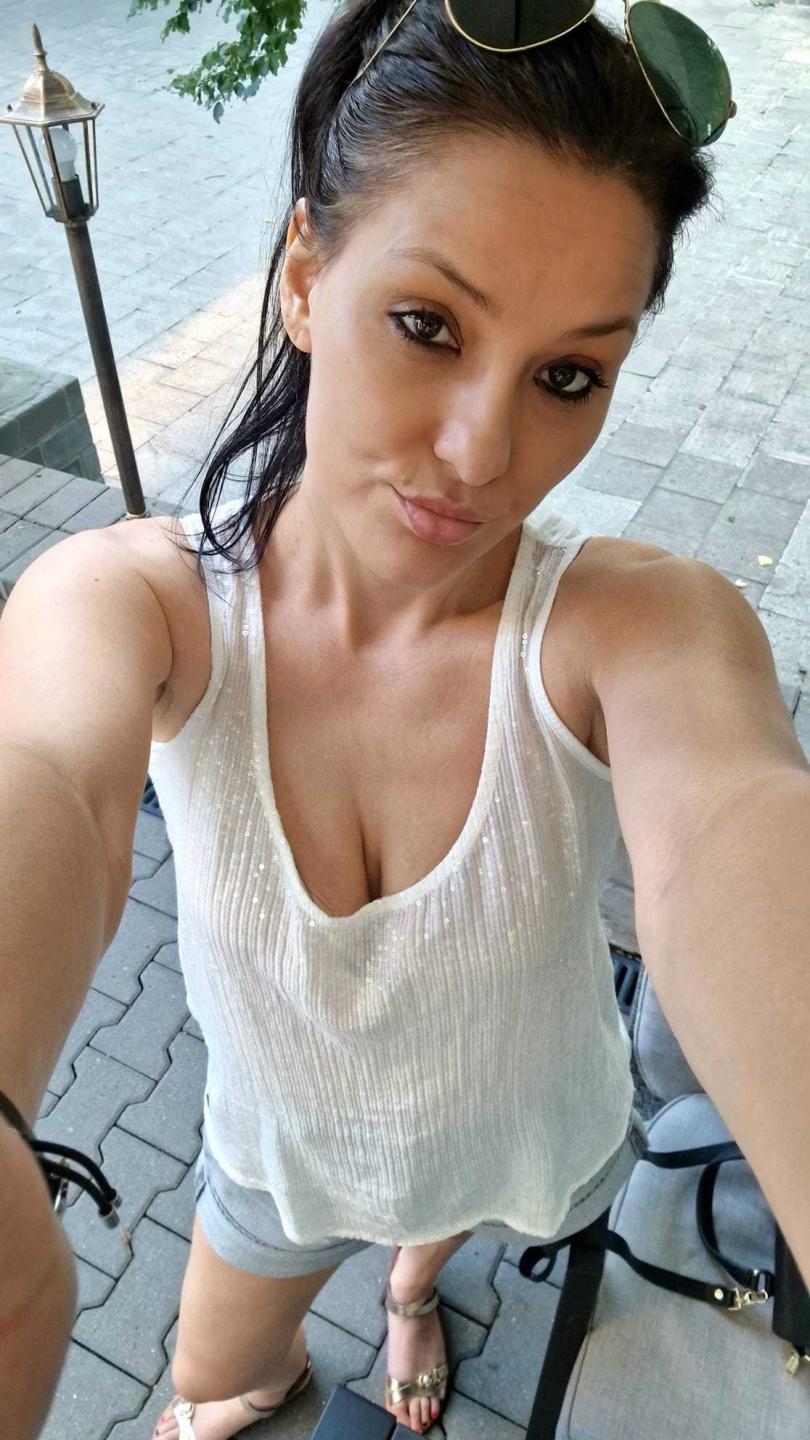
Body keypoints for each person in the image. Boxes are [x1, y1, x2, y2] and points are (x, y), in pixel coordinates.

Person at [1, 1, 808, 1437]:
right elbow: (48, 778)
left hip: (529, 1135)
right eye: (428, 326)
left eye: (568, 375)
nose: (483, 453)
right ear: (306, 277)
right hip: (280, 1163)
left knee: (436, 1236)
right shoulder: (137, 604)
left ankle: (411, 1285)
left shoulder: (640, 629)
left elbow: (734, 832)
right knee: (210, 1382)